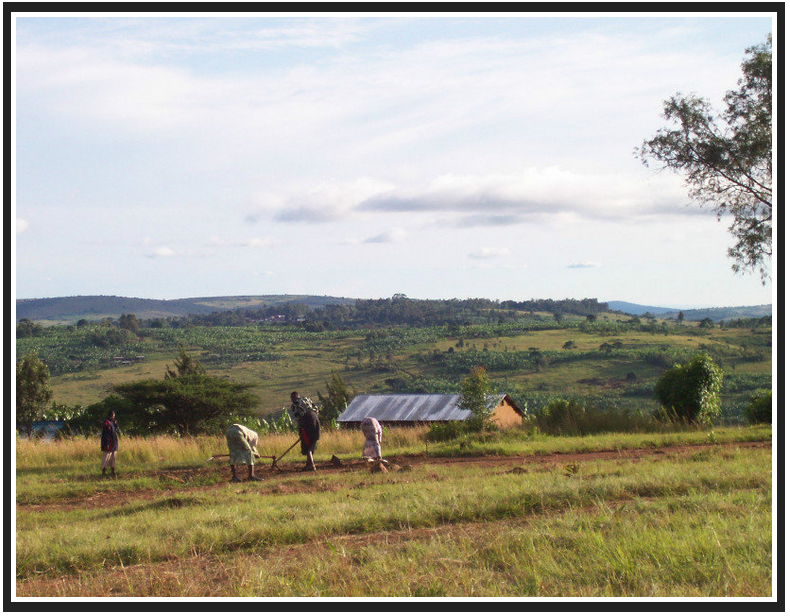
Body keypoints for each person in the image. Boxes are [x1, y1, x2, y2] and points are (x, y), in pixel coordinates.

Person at [289, 391, 320, 471]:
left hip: (306, 420)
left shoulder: (294, 405)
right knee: (312, 441)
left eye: (292, 398)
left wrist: (301, 431)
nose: (292, 400)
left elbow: (298, 418)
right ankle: (308, 464)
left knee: (306, 443)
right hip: (315, 418)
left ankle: (312, 465)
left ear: (294, 397)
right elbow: (316, 409)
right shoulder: (307, 399)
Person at [100, 410, 119, 479]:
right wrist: (107, 443)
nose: (113, 417)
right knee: (106, 457)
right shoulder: (106, 423)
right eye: (113, 416)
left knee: (113, 457)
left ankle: (112, 471)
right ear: (110, 416)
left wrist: (115, 424)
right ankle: (103, 471)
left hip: (114, 442)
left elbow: (116, 430)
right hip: (108, 442)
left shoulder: (112, 422)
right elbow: (106, 434)